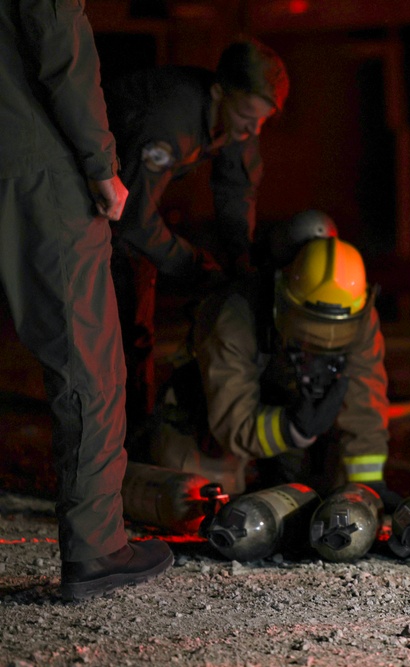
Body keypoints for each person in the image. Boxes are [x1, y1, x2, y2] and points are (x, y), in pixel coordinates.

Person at [0, 0, 172, 600]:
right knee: (86, 359)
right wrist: (103, 167)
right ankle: (97, 550)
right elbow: (60, 46)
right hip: (29, 165)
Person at [104, 39, 289, 451]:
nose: (251, 131)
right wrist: (196, 267)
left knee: (141, 310)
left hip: (127, 204)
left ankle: (136, 421)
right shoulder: (168, 120)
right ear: (219, 92)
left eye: (262, 122)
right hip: (89, 205)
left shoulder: (238, 118)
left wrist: (240, 261)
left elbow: (235, 189)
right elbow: (131, 220)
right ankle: (123, 439)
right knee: (123, 320)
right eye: (246, 118)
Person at [149, 218, 394, 502]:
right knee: (202, 495)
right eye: (311, 332)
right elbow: (232, 421)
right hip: (212, 411)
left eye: (337, 334)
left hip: (289, 408)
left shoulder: (360, 315)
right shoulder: (233, 316)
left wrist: (368, 485)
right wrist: (294, 429)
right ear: (284, 298)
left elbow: (365, 404)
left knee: (321, 498)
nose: (324, 344)